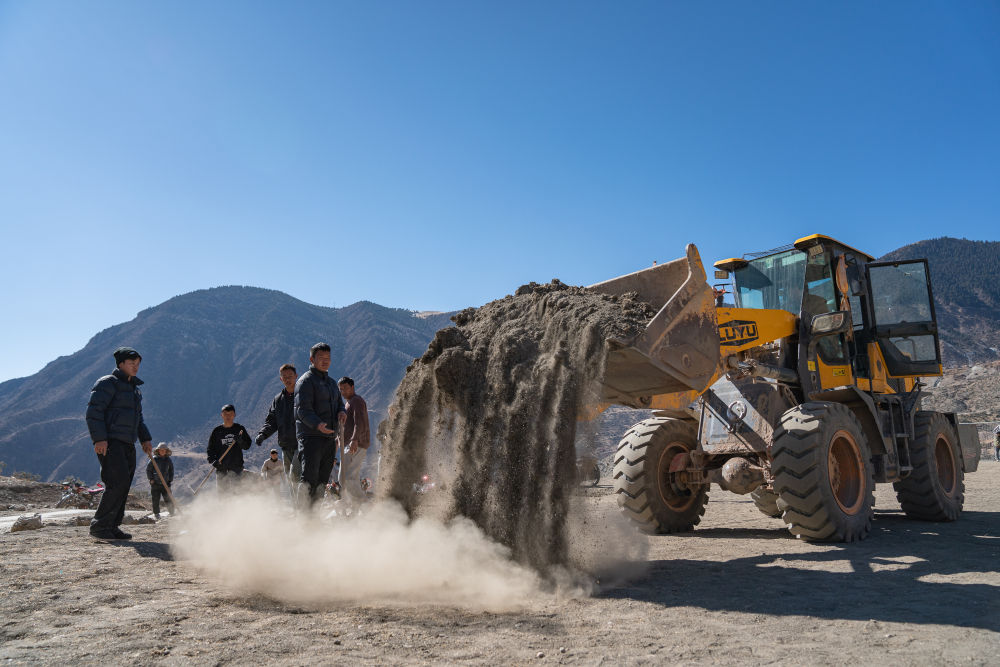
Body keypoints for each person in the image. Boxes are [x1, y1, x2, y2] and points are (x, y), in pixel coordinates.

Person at [85, 346, 153, 540]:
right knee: (117, 482)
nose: (136, 367)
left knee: (124, 484)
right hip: (110, 442)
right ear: (121, 364)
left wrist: (145, 439)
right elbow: (94, 413)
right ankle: (99, 527)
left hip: (128, 442)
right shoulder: (107, 383)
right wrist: (99, 439)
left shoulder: (134, 390)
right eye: (132, 363)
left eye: (138, 364)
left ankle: (112, 526)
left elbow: (138, 418)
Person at [294, 343, 347, 507]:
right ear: (312, 359)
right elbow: (302, 410)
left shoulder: (331, 383)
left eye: (328, 358)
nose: (326, 361)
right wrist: (318, 425)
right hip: (311, 437)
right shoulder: (305, 382)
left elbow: (339, 403)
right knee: (309, 478)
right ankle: (303, 516)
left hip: (330, 438)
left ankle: (314, 516)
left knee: (322, 480)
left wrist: (342, 412)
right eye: (321, 358)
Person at [255, 364, 300, 495]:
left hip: (302, 443)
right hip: (286, 446)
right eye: (284, 377)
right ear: (281, 379)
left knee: (295, 474)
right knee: (291, 480)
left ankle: (306, 508)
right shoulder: (278, 400)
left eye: (290, 376)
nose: (288, 379)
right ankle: (298, 510)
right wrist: (263, 434)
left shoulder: (303, 395)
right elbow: (272, 421)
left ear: (296, 376)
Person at [338, 376, 371, 504]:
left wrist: (355, 439)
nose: (343, 391)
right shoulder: (349, 403)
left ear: (352, 387)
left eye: (345, 388)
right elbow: (348, 426)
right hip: (350, 443)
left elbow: (360, 422)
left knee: (347, 478)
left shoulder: (356, 401)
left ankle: (365, 505)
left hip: (357, 443)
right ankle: (358, 508)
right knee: (347, 479)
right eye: (341, 389)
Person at [207, 404, 252, 492]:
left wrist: (240, 441)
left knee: (238, 494)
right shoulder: (217, 431)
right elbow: (210, 449)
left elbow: (247, 446)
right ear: (221, 415)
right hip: (221, 468)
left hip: (236, 468)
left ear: (234, 415)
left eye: (230, 414)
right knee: (223, 494)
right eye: (225, 414)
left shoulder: (239, 429)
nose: (228, 416)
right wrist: (212, 461)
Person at [145, 442, 175, 519]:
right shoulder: (153, 459)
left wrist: (170, 480)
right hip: (155, 483)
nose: (162, 451)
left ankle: (172, 513)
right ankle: (156, 514)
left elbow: (171, 470)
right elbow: (148, 470)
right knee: (155, 499)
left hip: (166, 483)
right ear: (158, 451)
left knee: (168, 499)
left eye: (164, 450)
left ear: (166, 451)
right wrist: (151, 479)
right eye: (161, 450)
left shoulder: (168, 460)